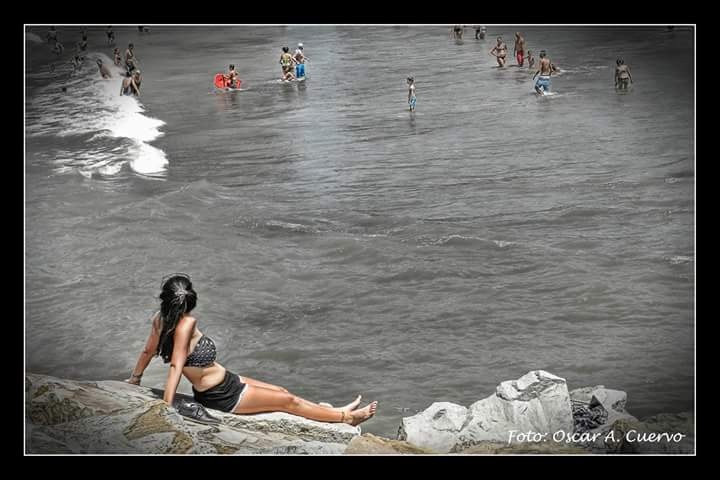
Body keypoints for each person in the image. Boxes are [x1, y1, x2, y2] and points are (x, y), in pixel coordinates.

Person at [126, 274, 378, 425]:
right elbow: (176, 366)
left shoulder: (160, 320)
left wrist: (135, 378)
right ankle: (347, 419)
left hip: (227, 381)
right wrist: (167, 407)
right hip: (221, 395)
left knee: (281, 391)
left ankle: (334, 411)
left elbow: (148, 351)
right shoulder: (186, 324)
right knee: (288, 401)